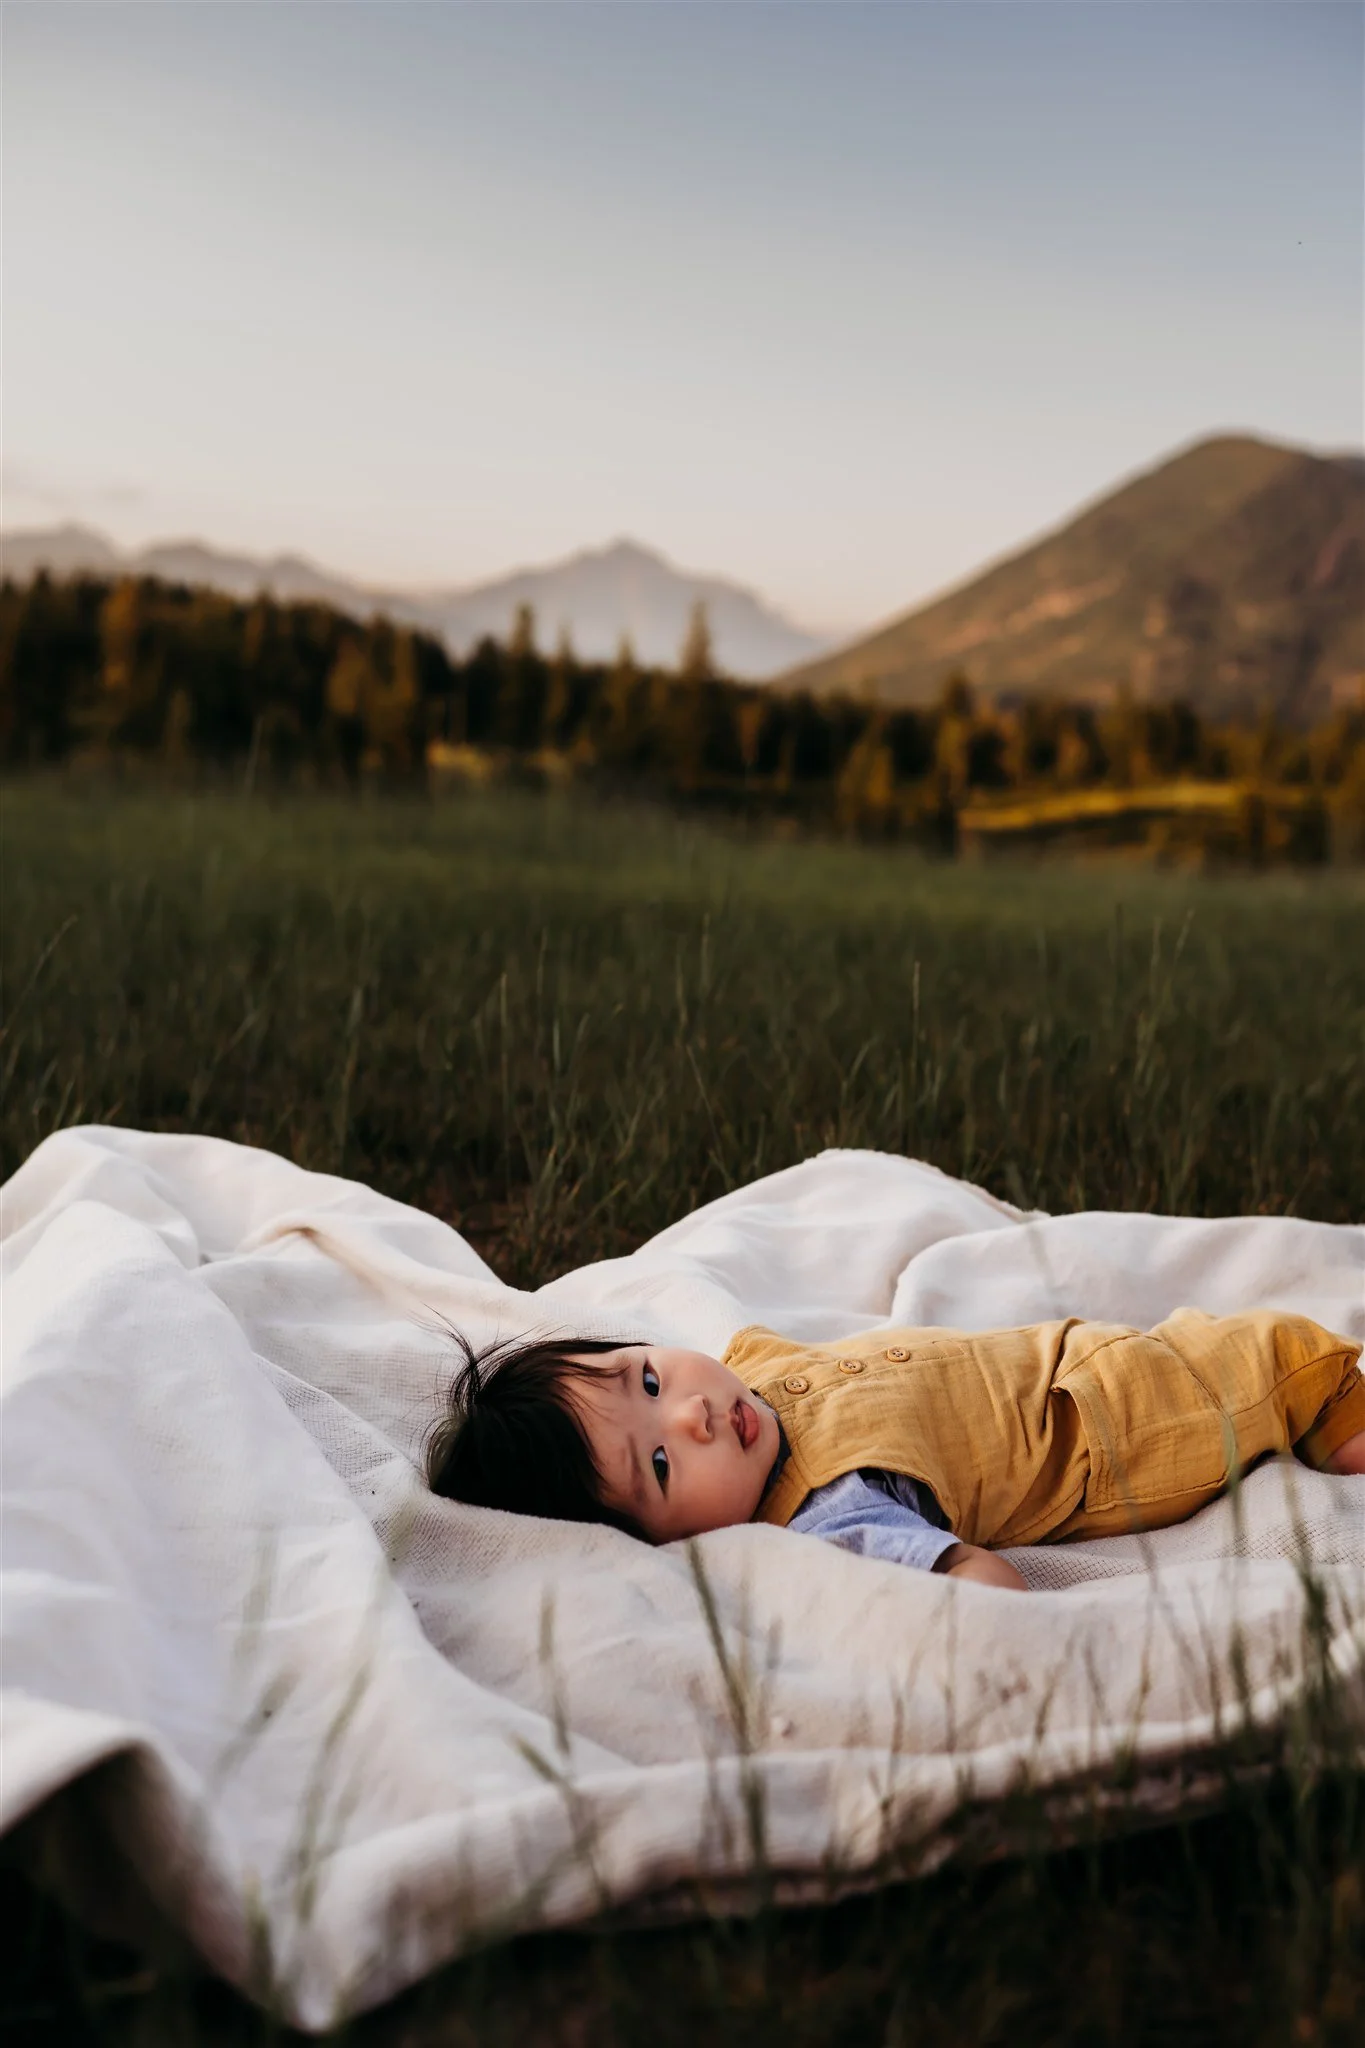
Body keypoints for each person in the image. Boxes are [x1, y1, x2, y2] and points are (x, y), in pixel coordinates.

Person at [425, 1311, 1365, 1592]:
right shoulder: (836, 1513)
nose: (692, 1420)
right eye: (660, 1468)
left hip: (1068, 1349)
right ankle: (1338, 1423)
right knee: (1273, 1361)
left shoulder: (746, 1375)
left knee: (1221, 1342)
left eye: (646, 1380)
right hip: (1115, 1424)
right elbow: (981, 1585)